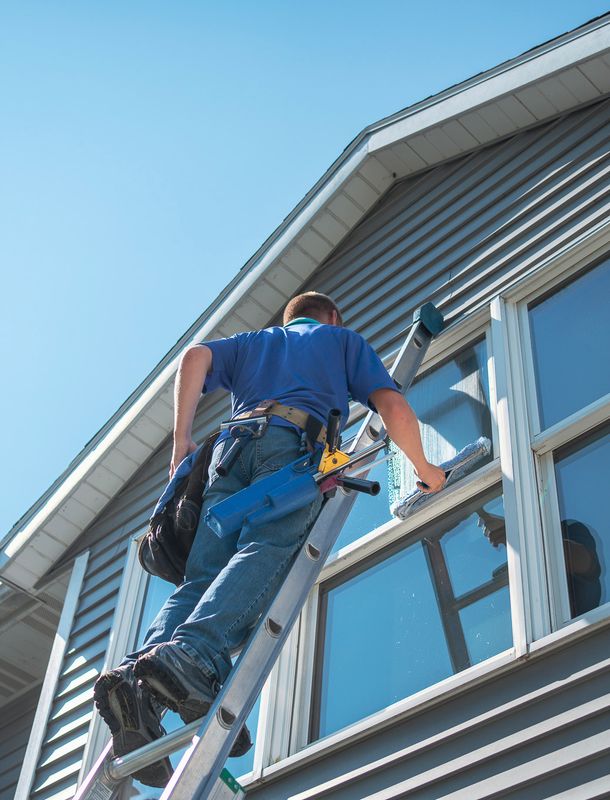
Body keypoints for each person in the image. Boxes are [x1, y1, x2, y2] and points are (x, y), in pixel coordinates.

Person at [93, 291, 446, 786]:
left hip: (227, 452)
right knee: (267, 548)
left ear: (289, 317)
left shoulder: (257, 343)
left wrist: (181, 443)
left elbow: (193, 357)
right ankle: (194, 656)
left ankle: (137, 676)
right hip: (289, 450)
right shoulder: (340, 341)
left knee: (201, 578)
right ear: (332, 316)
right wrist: (426, 469)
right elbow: (392, 405)